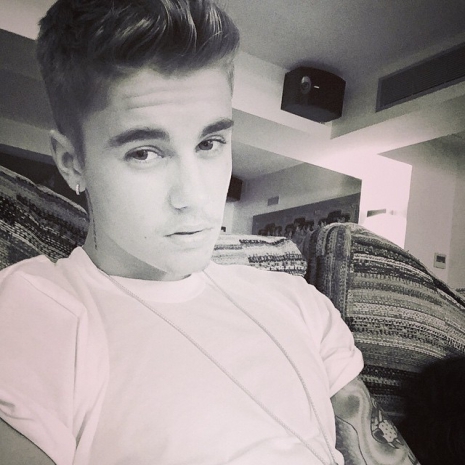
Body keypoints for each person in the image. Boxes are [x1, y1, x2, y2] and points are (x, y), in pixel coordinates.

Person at [0, 1, 418, 464]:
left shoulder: (298, 302)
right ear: (71, 162)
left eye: (209, 143)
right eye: (144, 152)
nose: (194, 195)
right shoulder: (33, 312)